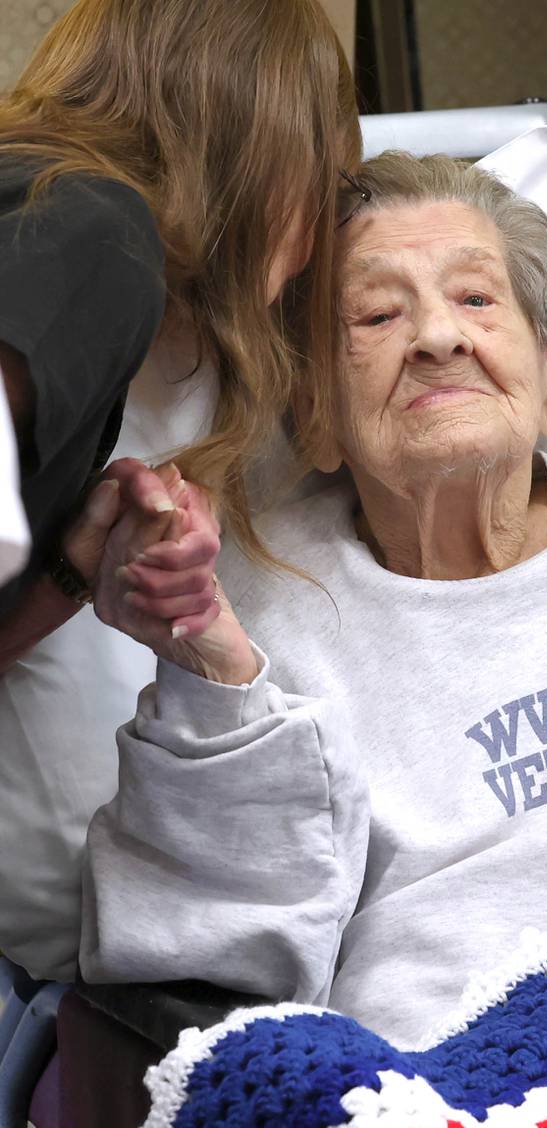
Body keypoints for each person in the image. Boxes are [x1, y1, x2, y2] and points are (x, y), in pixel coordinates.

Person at [81, 152, 547, 1047]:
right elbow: (212, 960)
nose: (437, 338)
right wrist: (215, 674)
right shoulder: (263, 600)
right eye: (377, 314)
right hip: (461, 1060)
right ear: (315, 415)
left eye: (476, 299)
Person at [0, 0, 360, 980]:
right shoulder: (89, 234)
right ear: (265, 142)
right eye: (323, 173)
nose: (320, 223)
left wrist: (72, 577)